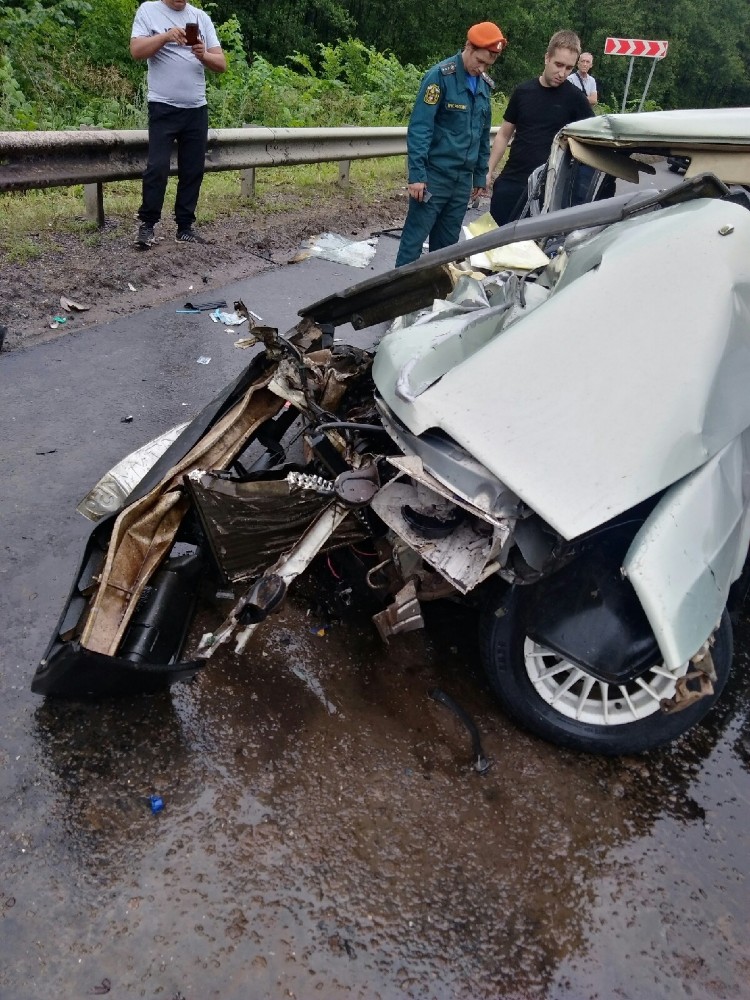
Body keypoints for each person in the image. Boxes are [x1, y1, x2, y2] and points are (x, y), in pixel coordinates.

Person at [395, 21, 506, 268]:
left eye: (488, 65)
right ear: (468, 47)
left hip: (462, 181)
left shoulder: (483, 85)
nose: (482, 68)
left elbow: (482, 133)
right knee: (413, 243)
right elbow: (421, 127)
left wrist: (480, 175)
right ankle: (396, 290)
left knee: (446, 249)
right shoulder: (440, 77)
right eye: (480, 61)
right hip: (434, 177)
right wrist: (417, 175)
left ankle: (435, 291)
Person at [130, 0, 226, 247]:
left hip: (196, 107)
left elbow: (221, 64)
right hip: (162, 106)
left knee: (192, 169)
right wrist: (166, 37)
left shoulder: (200, 17)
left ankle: (185, 227)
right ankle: (147, 225)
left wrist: (203, 54)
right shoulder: (148, 10)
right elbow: (136, 51)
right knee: (157, 167)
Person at [487, 30, 593, 227]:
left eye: (569, 68)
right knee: (494, 243)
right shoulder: (523, 92)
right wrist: (489, 170)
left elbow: (592, 143)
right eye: (558, 64)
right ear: (547, 58)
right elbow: (503, 134)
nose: (562, 73)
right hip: (511, 184)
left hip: (547, 192)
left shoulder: (576, 99)